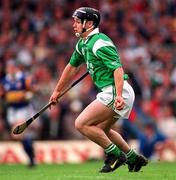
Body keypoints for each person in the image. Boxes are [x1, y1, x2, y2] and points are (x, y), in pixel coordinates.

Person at [49, 7, 148, 173]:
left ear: (89, 23)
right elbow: (71, 67)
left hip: (117, 91)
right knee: (103, 130)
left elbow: (118, 69)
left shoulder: (99, 43)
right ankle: (133, 158)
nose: (73, 24)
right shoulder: (83, 43)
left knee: (81, 123)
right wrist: (57, 91)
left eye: (77, 21)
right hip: (114, 91)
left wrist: (118, 95)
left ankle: (115, 155)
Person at [1, 61, 39, 167]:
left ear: (16, 68)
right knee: (20, 136)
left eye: (12, 67)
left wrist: (26, 95)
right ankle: (31, 157)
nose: (10, 69)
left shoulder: (24, 78)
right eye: (9, 67)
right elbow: (3, 95)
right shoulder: (4, 81)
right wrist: (8, 97)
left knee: (17, 134)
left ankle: (31, 157)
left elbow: (33, 90)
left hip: (23, 109)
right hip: (12, 111)